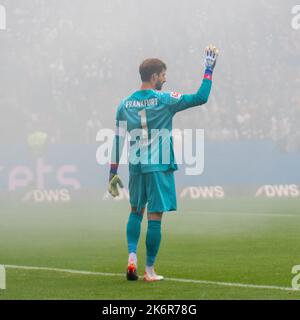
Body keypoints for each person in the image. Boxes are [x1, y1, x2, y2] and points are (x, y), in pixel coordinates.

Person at [108, 45, 219, 281]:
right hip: (158, 165)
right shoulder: (165, 99)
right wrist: (208, 71)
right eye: (163, 75)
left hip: (136, 167)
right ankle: (149, 271)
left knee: (135, 212)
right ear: (154, 76)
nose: (165, 79)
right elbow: (201, 97)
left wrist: (112, 172)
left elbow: (118, 139)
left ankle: (131, 258)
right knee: (155, 217)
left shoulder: (124, 104)